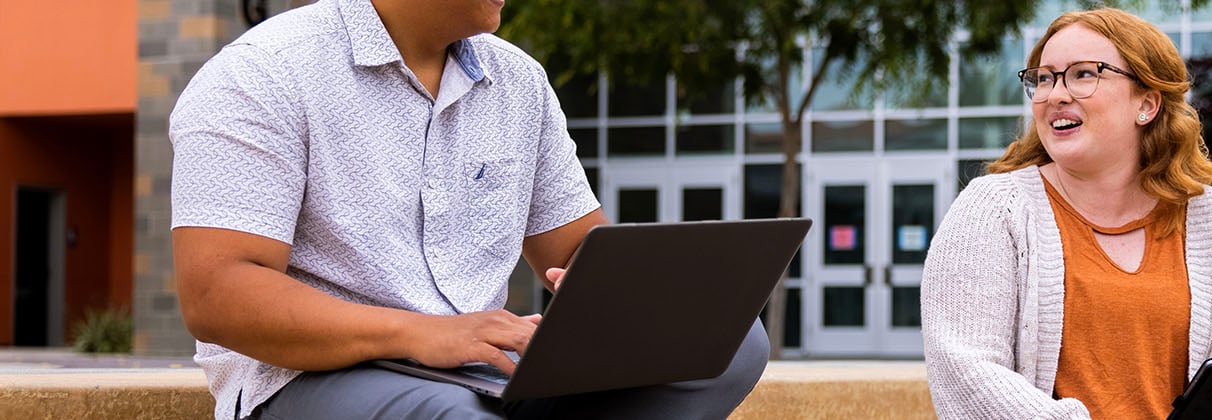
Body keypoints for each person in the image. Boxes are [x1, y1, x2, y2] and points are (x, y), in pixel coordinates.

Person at [168, 0, 767, 418]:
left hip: (485, 372)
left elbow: (578, 250)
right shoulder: (262, 73)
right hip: (313, 379)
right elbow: (218, 293)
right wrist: (425, 334)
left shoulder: (519, 83)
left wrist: (629, 294)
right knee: (449, 415)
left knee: (730, 342)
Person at [920, 7, 1212, 420]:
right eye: (1045, 78)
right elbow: (966, 372)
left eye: (1084, 74)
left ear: (1147, 103)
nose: (1055, 94)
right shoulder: (993, 210)